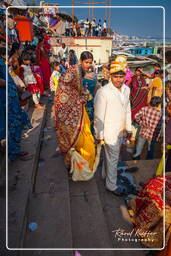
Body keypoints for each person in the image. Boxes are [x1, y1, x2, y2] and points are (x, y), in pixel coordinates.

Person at [94, 57, 132, 196]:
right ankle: (111, 185)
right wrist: (99, 136)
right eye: (115, 76)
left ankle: (105, 176)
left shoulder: (127, 90)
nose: (118, 79)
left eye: (121, 76)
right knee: (113, 158)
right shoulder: (103, 92)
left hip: (121, 131)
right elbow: (98, 117)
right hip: (109, 132)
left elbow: (128, 109)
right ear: (110, 76)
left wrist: (128, 128)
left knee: (110, 157)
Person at [54, 51, 96, 172]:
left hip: (66, 103)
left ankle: (72, 162)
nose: (89, 65)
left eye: (90, 62)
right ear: (81, 61)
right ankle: (74, 162)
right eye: (86, 62)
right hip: (67, 105)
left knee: (72, 134)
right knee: (73, 134)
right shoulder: (77, 71)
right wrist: (84, 98)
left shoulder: (77, 70)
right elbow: (78, 91)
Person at [0, 48, 32, 161]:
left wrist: (15, 86)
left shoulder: (3, 61)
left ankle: (14, 150)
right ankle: (13, 152)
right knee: (11, 125)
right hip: (5, 100)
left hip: (11, 98)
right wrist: (8, 84)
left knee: (15, 123)